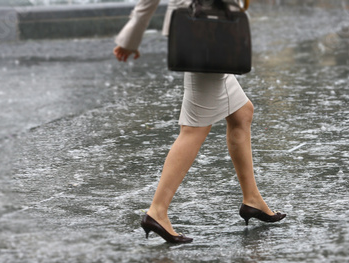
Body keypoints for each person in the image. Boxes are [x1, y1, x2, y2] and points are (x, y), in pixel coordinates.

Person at [113, 0, 286, 243]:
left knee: (242, 113)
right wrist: (130, 38)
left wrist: (130, 39)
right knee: (194, 130)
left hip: (206, 27)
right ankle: (157, 211)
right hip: (205, 28)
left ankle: (252, 199)